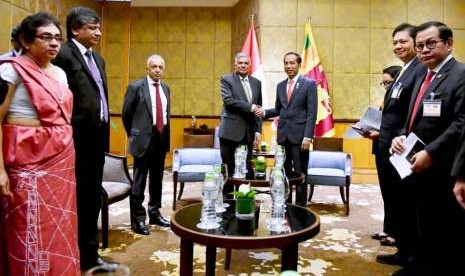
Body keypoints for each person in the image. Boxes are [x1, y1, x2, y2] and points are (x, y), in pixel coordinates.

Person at [0, 12, 79, 275]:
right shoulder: (9, 69)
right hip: (26, 159)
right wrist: (0, 170)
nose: (54, 43)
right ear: (25, 40)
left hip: (60, 162)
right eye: (46, 37)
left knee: (59, 224)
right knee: (29, 226)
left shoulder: (59, 73)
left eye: (57, 38)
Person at [391, 21, 465, 276]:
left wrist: (431, 152)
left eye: (431, 44)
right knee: (424, 220)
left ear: (449, 43)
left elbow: (461, 123)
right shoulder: (425, 75)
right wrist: (400, 137)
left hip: (444, 166)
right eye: (420, 45)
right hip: (416, 163)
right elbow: (414, 118)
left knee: (443, 226)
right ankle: (420, 264)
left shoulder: (460, 74)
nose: (424, 50)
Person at [52, 6, 116, 272]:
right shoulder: (62, 55)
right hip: (73, 141)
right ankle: (71, 252)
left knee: (90, 199)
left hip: (96, 139)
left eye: (99, 27)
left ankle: (89, 254)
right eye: (92, 27)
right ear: (75, 29)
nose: (98, 32)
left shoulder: (97, 59)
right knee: (72, 199)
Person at [370, 24, 428, 268]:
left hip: (400, 149)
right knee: (395, 200)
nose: (398, 46)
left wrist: (399, 137)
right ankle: (402, 249)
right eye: (395, 42)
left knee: (404, 203)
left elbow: (412, 112)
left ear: (415, 43)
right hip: (387, 145)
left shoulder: (418, 69)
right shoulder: (405, 70)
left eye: (403, 41)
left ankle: (408, 255)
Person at [258, 52, 317, 207]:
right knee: (284, 173)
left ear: (299, 64)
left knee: (300, 173)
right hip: (283, 137)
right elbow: (279, 109)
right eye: (286, 63)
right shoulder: (280, 86)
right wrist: (264, 112)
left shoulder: (309, 84)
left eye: (292, 63)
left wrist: (308, 136)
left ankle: (301, 207)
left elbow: (312, 112)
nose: (288, 66)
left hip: (300, 138)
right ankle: (286, 204)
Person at [122, 54, 171, 235]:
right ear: (147, 68)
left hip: (160, 138)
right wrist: (133, 135)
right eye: (154, 67)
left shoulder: (166, 88)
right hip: (142, 140)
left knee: (157, 180)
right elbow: (126, 114)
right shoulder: (136, 87)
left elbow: (165, 114)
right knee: (139, 181)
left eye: (160, 67)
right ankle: (138, 220)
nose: (157, 70)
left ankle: (155, 213)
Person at [218, 52, 262, 195]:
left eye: (246, 63)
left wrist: (258, 131)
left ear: (250, 65)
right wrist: (251, 107)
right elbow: (229, 102)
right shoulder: (226, 79)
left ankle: (244, 204)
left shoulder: (256, 83)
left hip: (248, 135)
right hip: (230, 133)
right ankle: (228, 205)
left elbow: (259, 109)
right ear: (235, 64)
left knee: (246, 171)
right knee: (229, 171)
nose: (243, 65)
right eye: (240, 63)